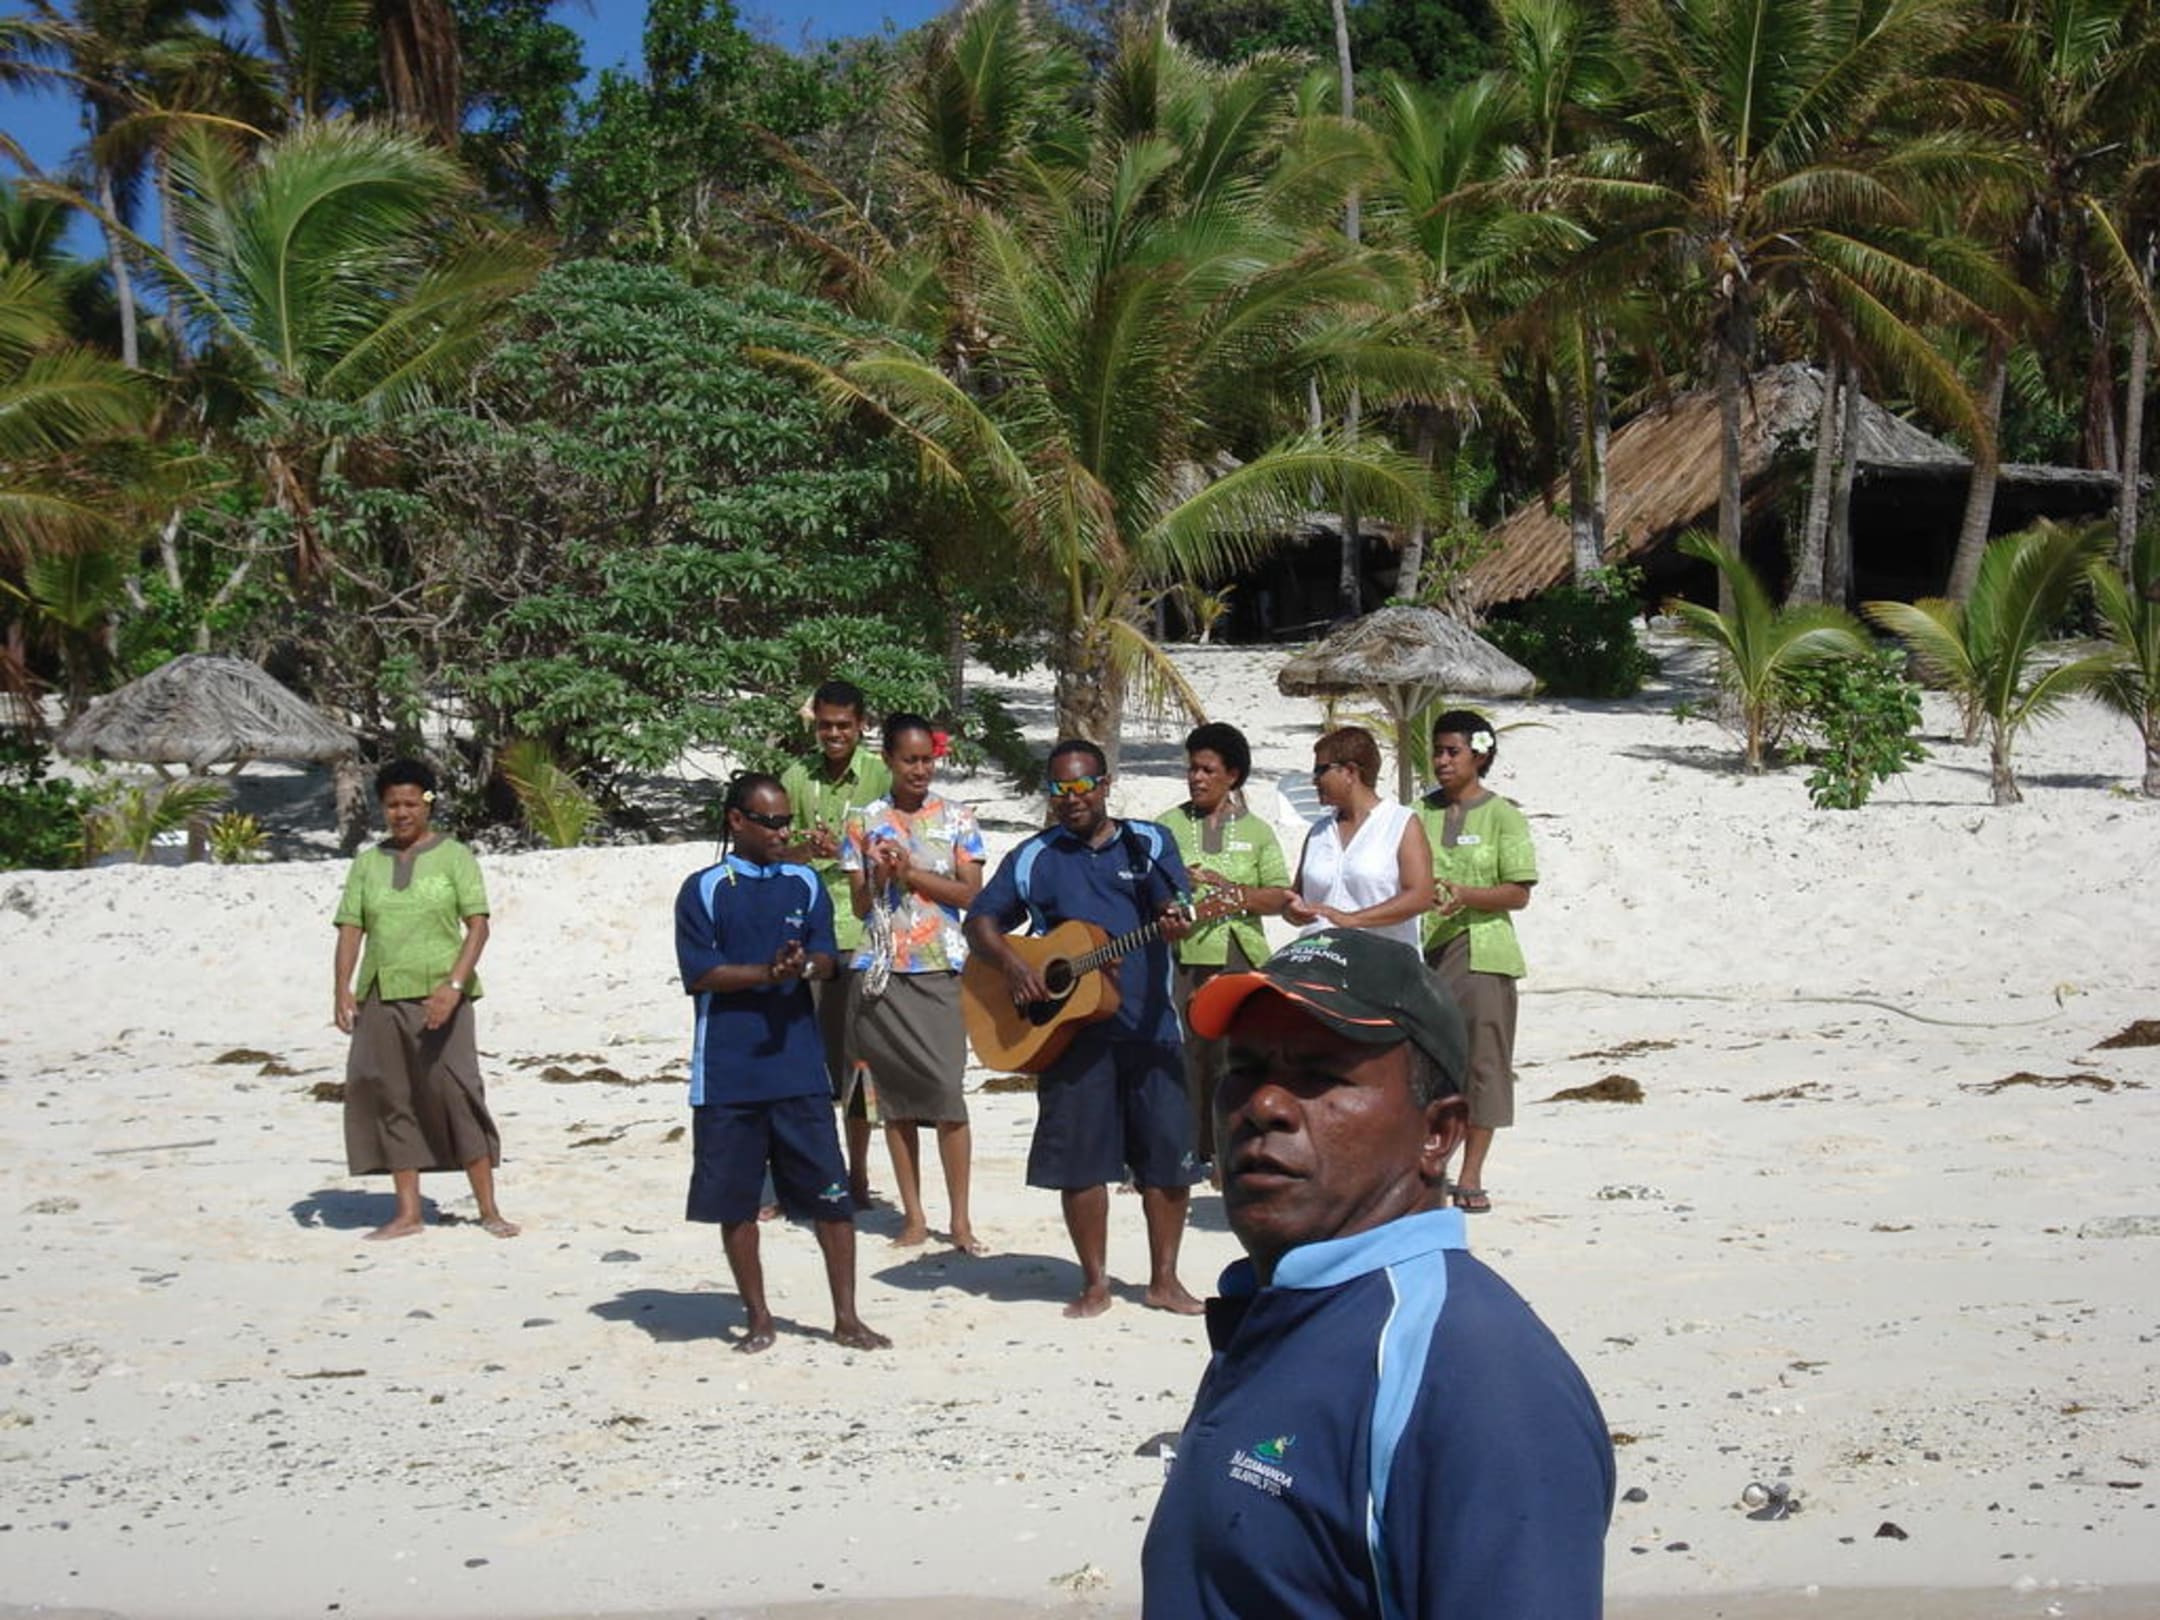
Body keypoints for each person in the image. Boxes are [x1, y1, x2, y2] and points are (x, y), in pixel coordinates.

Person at [1140, 928, 1612, 1619]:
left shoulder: (1473, 1377)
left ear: (1438, 1133)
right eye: (1245, 1066)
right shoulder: (1289, 1308)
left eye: (1322, 1076)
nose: (1264, 1106)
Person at [963, 739, 1205, 1318]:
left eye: (1081, 787)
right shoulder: (1033, 856)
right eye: (1058, 789)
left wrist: (1176, 919)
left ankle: (1164, 1280)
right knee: (1081, 1165)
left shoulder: (1148, 842)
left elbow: (1176, 904)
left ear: (1105, 785)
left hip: (1150, 1027)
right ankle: (1094, 1283)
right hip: (1067, 1034)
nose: (1070, 799)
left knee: (1167, 1159)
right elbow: (980, 923)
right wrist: (1015, 965)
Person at [673, 772, 890, 1354]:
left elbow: (827, 958)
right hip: (728, 1072)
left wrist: (805, 967)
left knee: (831, 1198)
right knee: (738, 1203)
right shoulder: (705, 889)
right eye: (769, 822)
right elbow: (701, 973)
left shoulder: (804, 882)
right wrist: (765, 974)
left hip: (798, 1068)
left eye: (786, 822)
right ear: (736, 821)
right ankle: (759, 1317)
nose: (781, 833)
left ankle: (846, 1317)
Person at [332, 759, 517, 1242]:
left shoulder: (455, 857)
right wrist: (342, 988)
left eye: (411, 803)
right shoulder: (367, 864)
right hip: (381, 994)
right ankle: (407, 1212)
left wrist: (453, 986)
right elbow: (351, 928)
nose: (401, 813)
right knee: (392, 1097)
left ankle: (489, 1209)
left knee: (459, 1093)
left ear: (428, 804)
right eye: (393, 804)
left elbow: (478, 926)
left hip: (443, 996)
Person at [842, 713, 988, 1254]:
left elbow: (972, 895)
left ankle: (961, 1219)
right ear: (888, 759)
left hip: (942, 968)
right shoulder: (864, 820)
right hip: (881, 972)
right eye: (910, 760)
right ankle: (914, 1216)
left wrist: (912, 875)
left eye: (927, 759)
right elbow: (861, 906)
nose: (920, 769)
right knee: (895, 1101)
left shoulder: (958, 818)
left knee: (948, 1094)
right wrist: (881, 876)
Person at [1416, 710, 1537, 1216]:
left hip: (1484, 951)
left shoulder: (1503, 815)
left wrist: (1466, 895)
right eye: (1437, 751)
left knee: (1484, 1065)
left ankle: (1470, 1173)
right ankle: (1426, 1163)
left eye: (1453, 751)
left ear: (1480, 755)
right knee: (1426, 1064)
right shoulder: (1417, 813)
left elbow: (1518, 892)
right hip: (1424, 953)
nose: (1442, 761)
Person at [780, 679, 892, 1207]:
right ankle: (807, 1170)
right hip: (807, 933)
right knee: (802, 1061)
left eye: (844, 726)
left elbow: (898, 843)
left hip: (865, 932)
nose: (834, 734)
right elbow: (774, 852)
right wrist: (806, 848)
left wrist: (848, 847)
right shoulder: (795, 777)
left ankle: (860, 1174)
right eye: (825, 725)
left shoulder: (881, 775)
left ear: (861, 726)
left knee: (860, 1065)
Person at [1164, 722, 1290, 1175]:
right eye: (1192, 769)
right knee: (1186, 1051)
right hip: (1184, 956)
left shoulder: (1257, 832)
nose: (1196, 778)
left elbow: (1279, 895)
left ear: (1232, 776)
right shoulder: (1167, 825)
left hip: (1239, 954)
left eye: (1207, 770)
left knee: (1231, 1056)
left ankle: (1227, 1151)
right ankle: (1187, 1150)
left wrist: (1234, 895)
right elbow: (1144, 885)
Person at [1282, 725, 1434, 951]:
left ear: (1350, 772)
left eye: (1321, 771)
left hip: (1381, 961)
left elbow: (1421, 896)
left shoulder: (1401, 823)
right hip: (1320, 958)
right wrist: (1292, 911)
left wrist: (1353, 919)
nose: (1315, 780)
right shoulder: (1318, 832)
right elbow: (1296, 899)